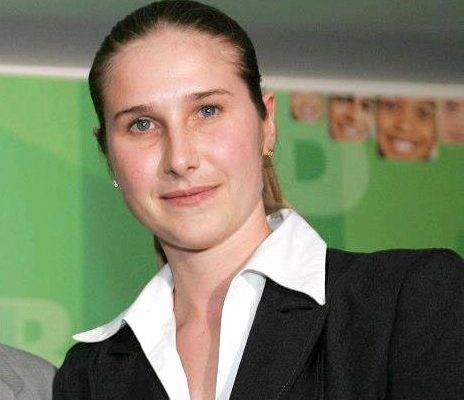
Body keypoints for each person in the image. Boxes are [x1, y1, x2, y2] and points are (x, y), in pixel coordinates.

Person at [53, 1, 464, 399]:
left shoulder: (409, 301)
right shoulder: (86, 376)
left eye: (207, 110)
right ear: (108, 154)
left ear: (266, 125)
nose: (179, 159)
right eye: (142, 124)